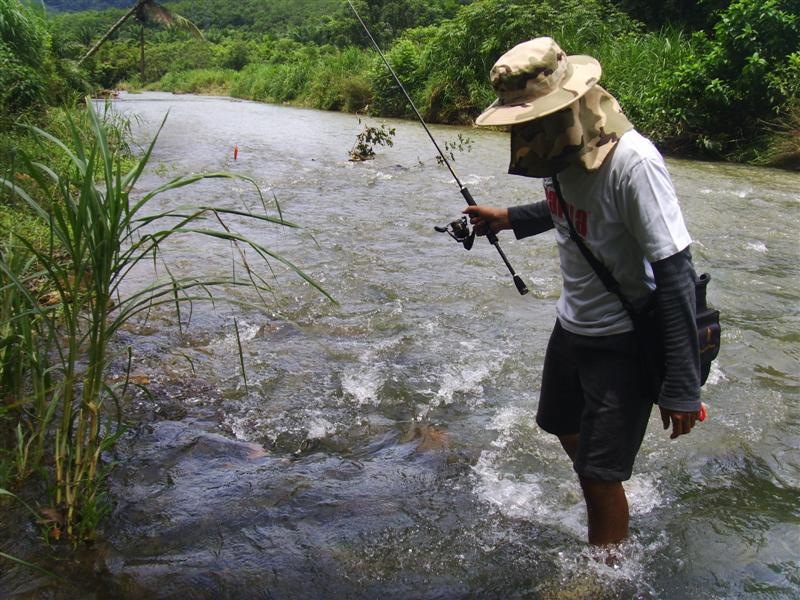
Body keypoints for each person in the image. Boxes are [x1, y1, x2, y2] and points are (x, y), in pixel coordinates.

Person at [465, 37, 703, 546]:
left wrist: (682, 386)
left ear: (571, 101)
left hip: (622, 338)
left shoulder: (632, 163)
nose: (523, 131)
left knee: (597, 475)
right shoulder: (563, 149)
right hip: (573, 327)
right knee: (559, 425)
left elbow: (676, 271)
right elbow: (574, 215)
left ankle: (606, 572)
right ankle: (608, 483)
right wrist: (508, 218)